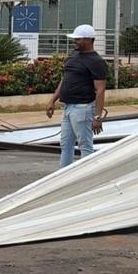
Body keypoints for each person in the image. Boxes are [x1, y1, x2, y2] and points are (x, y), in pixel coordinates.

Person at [45, 24, 108, 168]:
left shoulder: (96, 62)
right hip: (68, 108)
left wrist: (97, 117)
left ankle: (89, 178)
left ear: (88, 40)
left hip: (83, 109)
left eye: (77, 39)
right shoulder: (74, 55)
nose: (74, 42)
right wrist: (52, 100)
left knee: (85, 146)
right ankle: (62, 177)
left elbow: (100, 90)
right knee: (65, 145)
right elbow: (66, 79)